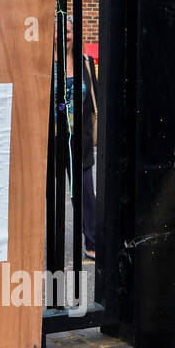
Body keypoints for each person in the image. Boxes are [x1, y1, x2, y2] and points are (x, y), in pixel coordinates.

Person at [62, 13, 98, 259]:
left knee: (85, 192)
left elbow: (96, 97)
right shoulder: (42, 62)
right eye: (58, 30)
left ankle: (92, 241)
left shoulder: (85, 62)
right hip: (52, 140)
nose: (64, 35)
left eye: (68, 31)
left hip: (80, 140)